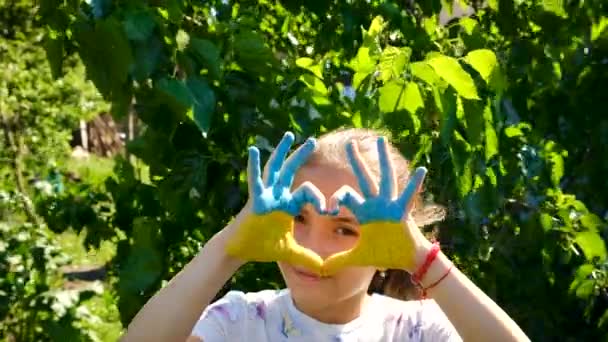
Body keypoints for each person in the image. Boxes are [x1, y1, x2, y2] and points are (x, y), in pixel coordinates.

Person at [120, 128, 530, 342]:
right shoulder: (242, 322)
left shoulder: (417, 330)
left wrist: (424, 261)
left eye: (346, 228)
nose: (310, 247)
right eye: (299, 218)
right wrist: (227, 246)